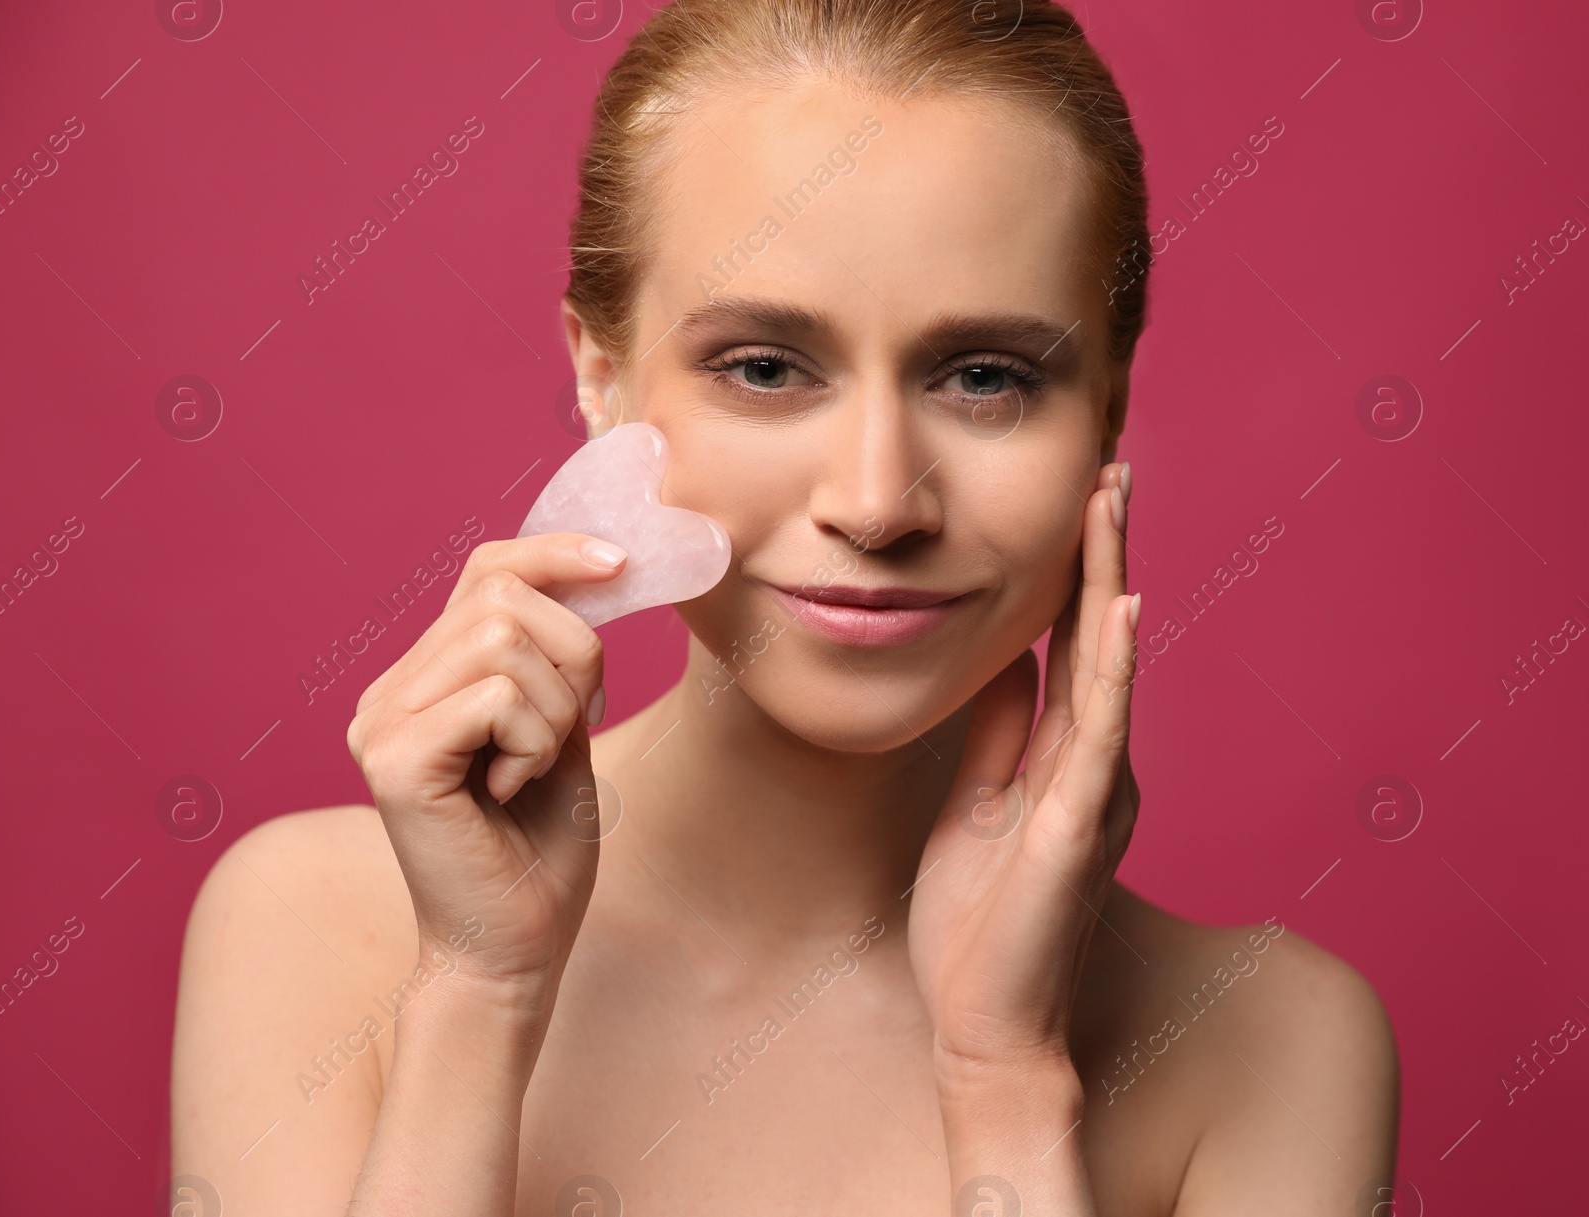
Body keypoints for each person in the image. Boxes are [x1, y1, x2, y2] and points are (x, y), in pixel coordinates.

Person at [170, 2, 1399, 1213]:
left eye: (985, 378)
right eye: (763, 367)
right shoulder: (315, 931)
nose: (875, 503)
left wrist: (1004, 1077)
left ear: (1108, 412)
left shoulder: (1273, 1046)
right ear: (602, 378)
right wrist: (477, 992)